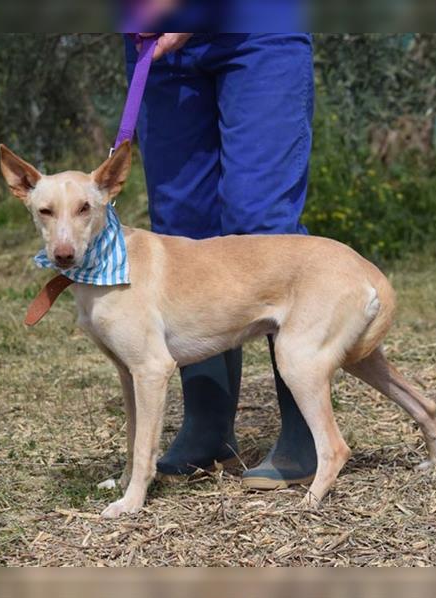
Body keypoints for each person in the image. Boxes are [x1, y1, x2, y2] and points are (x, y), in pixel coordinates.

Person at [124, 32, 318, 489]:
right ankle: (208, 427)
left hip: (255, 27)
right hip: (159, 42)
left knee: (263, 222)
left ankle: (305, 430)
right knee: (181, 227)